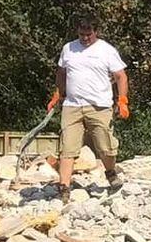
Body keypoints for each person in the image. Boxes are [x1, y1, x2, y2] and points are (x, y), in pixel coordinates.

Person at [50, 14, 128, 195]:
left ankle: (110, 173)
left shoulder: (106, 50)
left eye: (89, 35)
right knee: (67, 147)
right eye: (81, 35)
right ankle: (64, 187)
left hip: (99, 106)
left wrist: (122, 100)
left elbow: (120, 76)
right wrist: (57, 94)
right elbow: (61, 73)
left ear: (96, 32)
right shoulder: (68, 49)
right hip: (72, 106)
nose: (85, 38)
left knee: (106, 148)